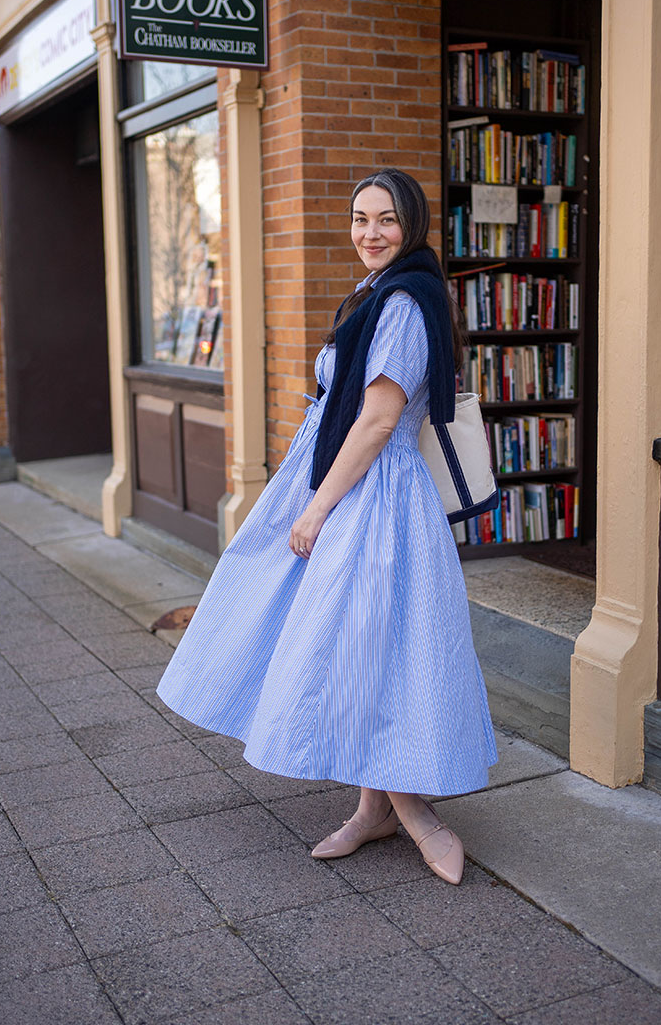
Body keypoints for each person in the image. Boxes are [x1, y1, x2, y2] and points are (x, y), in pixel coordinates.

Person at [156, 167, 497, 885]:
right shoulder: (379, 293)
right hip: (342, 482)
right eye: (359, 218)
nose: (370, 233)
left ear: (413, 228)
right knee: (349, 640)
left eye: (386, 220)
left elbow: (377, 419)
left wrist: (316, 509)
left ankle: (413, 812)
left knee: (372, 640)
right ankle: (376, 807)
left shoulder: (405, 301)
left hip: (370, 498)